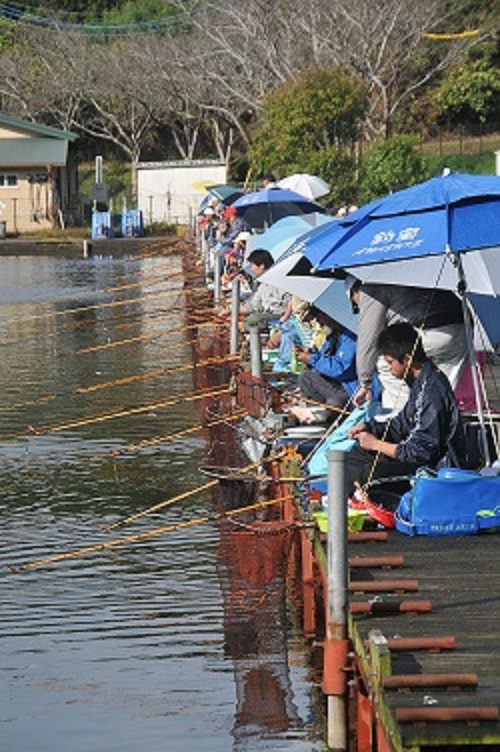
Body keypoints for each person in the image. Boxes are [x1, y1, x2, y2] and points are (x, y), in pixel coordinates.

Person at [345, 322, 466, 497]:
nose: (389, 367)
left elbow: (420, 452)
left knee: (366, 471)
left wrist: (376, 444)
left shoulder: (431, 390)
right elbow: (402, 423)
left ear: (407, 360)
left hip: (434, 471)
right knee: (354, 455)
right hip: (417, 459)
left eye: (390, 362)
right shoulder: (420, 381)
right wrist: (371, 428)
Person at [347, 278, 467, 409]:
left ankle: (399, 417)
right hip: (461, 328)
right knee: (443, 386)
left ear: (354, 292)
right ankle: (440, 419)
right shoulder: (408, 268)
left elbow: (369, 338)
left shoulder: (369, 287)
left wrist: (365, 382)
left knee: (387, 363)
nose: (359, 307)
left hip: (428, 329)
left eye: (355, 304)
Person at [295, 307, 358, 409]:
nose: (319, 322)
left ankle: (330, 410)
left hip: (350, 388)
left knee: (307, 378)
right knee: (306, 376)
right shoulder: (333, 336)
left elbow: (341, 369)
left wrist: (311, 358)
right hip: (337, 385)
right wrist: (310, 353)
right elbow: (325, 357)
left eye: (319, 317)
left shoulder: (351, 336)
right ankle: (318, 412)